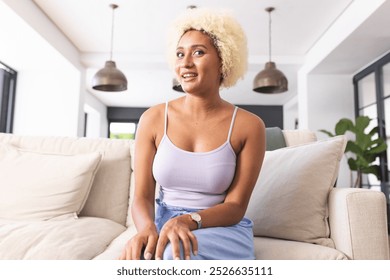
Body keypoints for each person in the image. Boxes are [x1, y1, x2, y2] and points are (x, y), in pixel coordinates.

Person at [119, 8, 266, 260]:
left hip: (218, 226)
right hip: (164, 222)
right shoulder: (153, 119)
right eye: (179, 54)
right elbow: (142, 196)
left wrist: (188, 221)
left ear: (224, 60)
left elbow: (235, 206)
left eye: (198, 52)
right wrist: (145, 229)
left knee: (173, 256)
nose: (185, 63)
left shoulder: (249, 126)